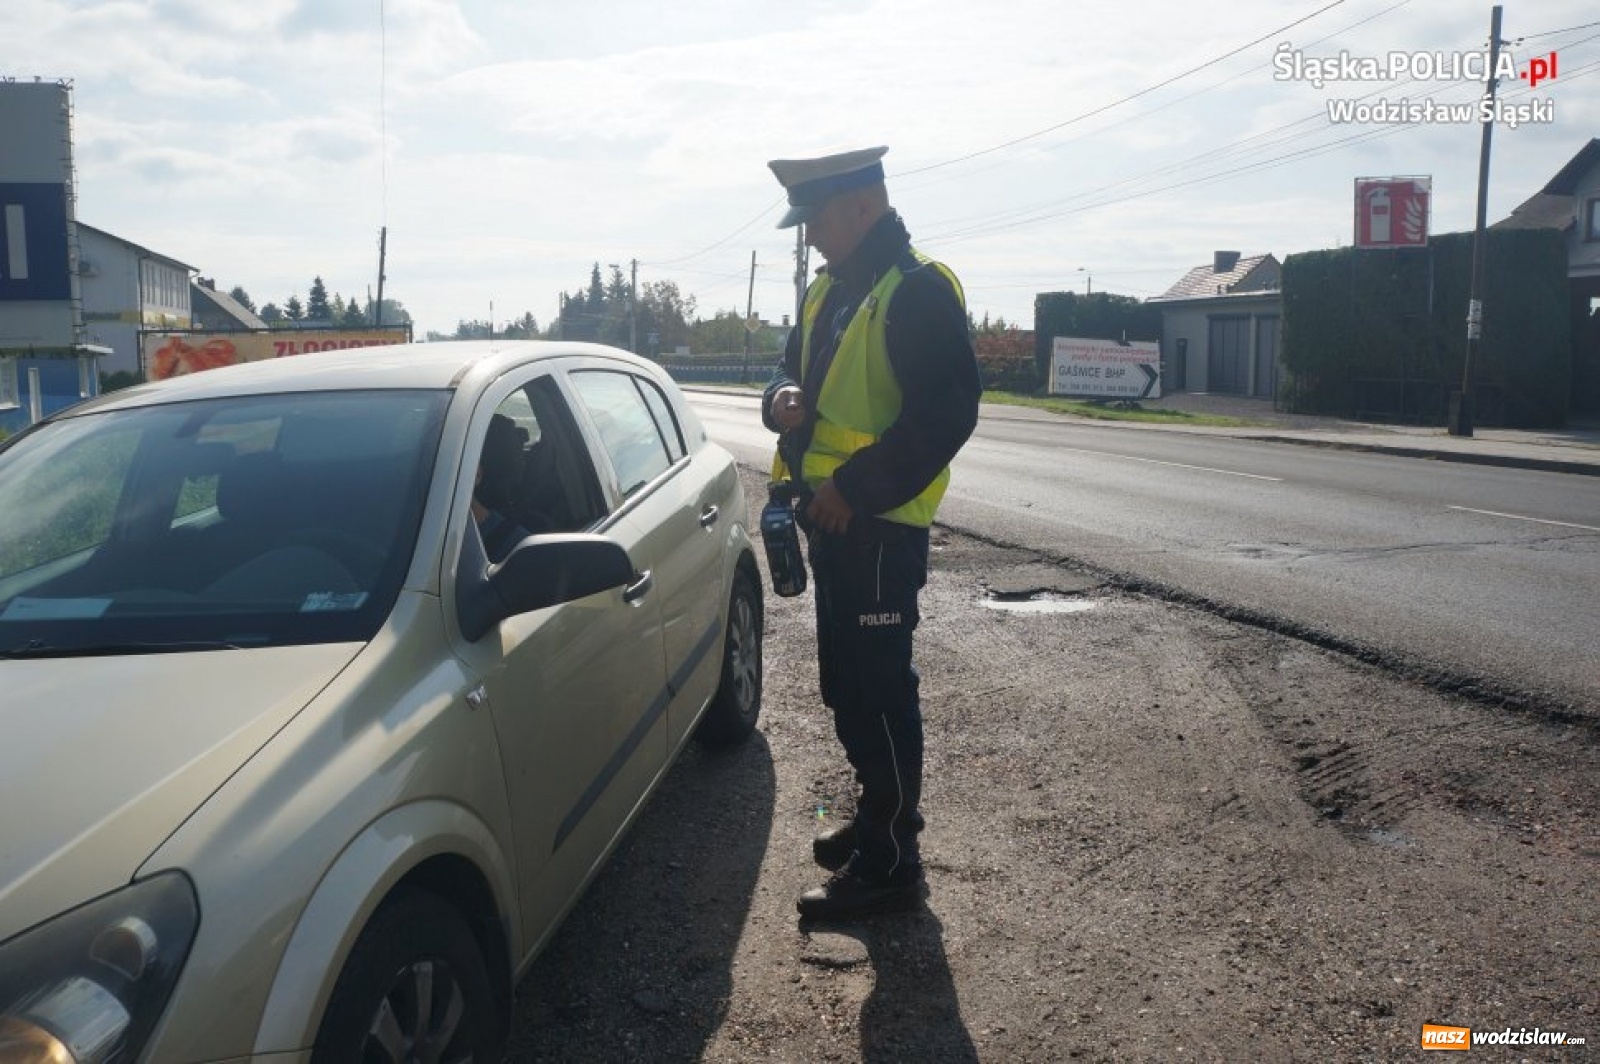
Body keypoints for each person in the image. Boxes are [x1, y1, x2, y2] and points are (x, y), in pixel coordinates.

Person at [761, 145, 982, 921]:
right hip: (833, 524)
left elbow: (945, 416)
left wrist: (854, 489)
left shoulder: (917, 290)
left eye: (816, 218)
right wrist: (780, 396)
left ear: (862, 206)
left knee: (883, 694)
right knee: (848, 689)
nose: (809, 236)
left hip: (879, 529)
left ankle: (891, 863)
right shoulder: (834, 289)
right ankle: (876, 822)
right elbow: (788, 372)